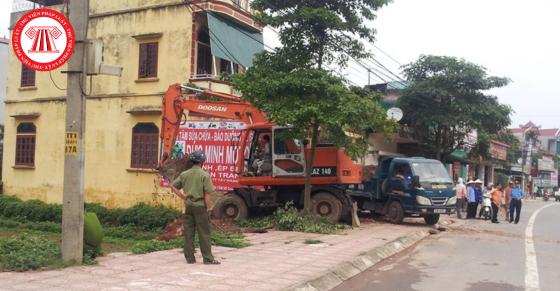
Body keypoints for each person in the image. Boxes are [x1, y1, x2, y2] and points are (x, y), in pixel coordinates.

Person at [170, 150, 220, 265]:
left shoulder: (184, 174)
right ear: (202, 162)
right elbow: (207, 194)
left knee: (189, 232)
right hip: (200, 206)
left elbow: (173, 186)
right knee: (204, 232)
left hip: (189, 205)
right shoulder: (204, 175)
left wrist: (183, 197)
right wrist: (208, 208)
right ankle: (207, 258)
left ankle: (189, 258)